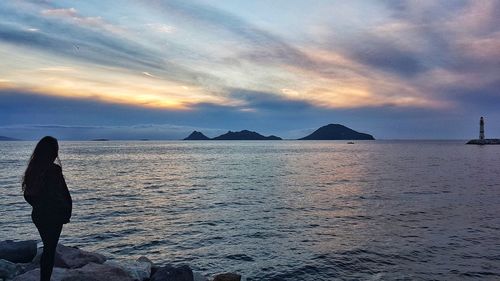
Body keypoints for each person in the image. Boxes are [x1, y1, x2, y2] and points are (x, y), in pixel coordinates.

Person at [22, 136, 72, 281]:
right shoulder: (53, 170)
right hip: (52, 216)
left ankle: (45, 278)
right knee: (49, 251)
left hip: (39, 215)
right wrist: (64, 212)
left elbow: (27, 195)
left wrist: (38, 206)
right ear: (53, 152)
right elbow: (61, 193)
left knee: (48, 249)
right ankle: (45, 279)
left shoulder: (33, 169)